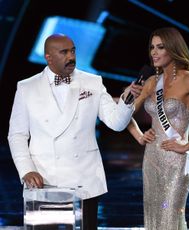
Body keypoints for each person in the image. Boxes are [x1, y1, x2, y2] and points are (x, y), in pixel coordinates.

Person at [7, 34, 142, 230]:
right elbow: (17, 134)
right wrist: (26, 169)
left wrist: (127, 100)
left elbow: (116, 123)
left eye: (73, 51)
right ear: (48, 57)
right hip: (44, 177)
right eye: (64, 52)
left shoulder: (93, 82)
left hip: (83, 177)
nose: (71, 56)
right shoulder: (26, 87)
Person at [127, 27, 189, 230]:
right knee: (154, 217)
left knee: (169, 217)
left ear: (173, 49)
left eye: (160, 47)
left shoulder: (188, 79)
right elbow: (123, 116)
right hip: (151, 158)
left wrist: (186, 146)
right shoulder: (152, 82)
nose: (154, 52)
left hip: (177, 160)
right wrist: (138, 134)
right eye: (152, 47)